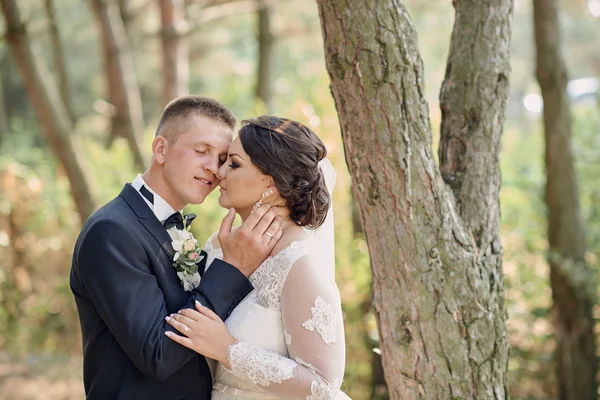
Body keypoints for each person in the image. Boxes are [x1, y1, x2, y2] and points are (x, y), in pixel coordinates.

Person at [70, 97, 283, 400]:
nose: (215, 169)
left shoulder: (174, 226)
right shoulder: (112, 231)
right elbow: (158, 353)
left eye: (223, 158)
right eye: (201, 151)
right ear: (160, 149)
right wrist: (234, 268)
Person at [165, 116, 350, 400]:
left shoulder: (300, 264)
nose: (218, 172)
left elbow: (324, 386)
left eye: (233, 163)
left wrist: (228, 349)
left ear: (273, 182)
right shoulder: (217, 245)